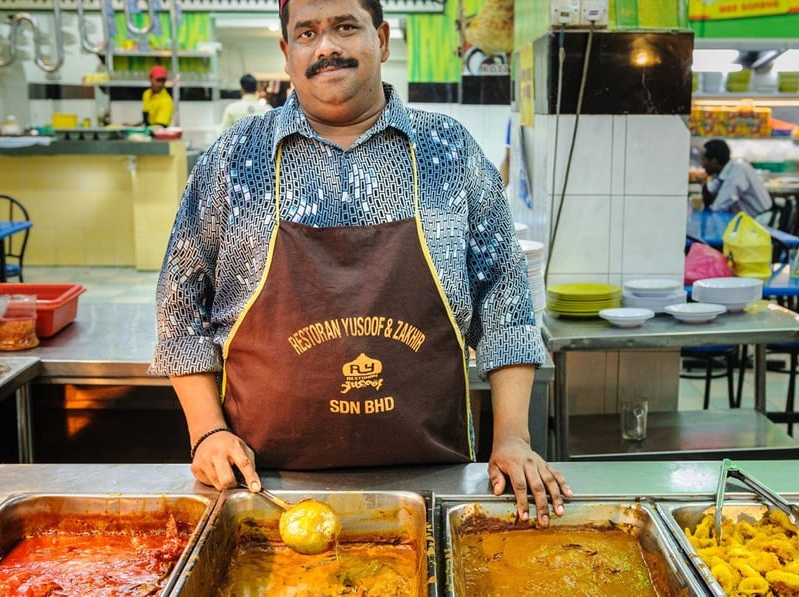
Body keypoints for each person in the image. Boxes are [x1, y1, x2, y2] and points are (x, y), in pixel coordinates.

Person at [149, 0, 571, 526]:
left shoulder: (449, 151)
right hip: (265, 489)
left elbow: (505, 303)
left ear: (383, 39)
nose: (325, 46)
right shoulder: (234, 157)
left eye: (345, 27)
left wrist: (512, 437)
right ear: (287, 52)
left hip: (431, 484)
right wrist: (207, 432)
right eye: (307, 33)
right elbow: (179, 306)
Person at [699, 138, 774, 223]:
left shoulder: (738, 169)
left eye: (703, 159)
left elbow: (721, 204)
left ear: (714, 162)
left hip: (761, 222)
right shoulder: (724, 173)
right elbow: (711, 190)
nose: (702, 165)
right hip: (747, 222)